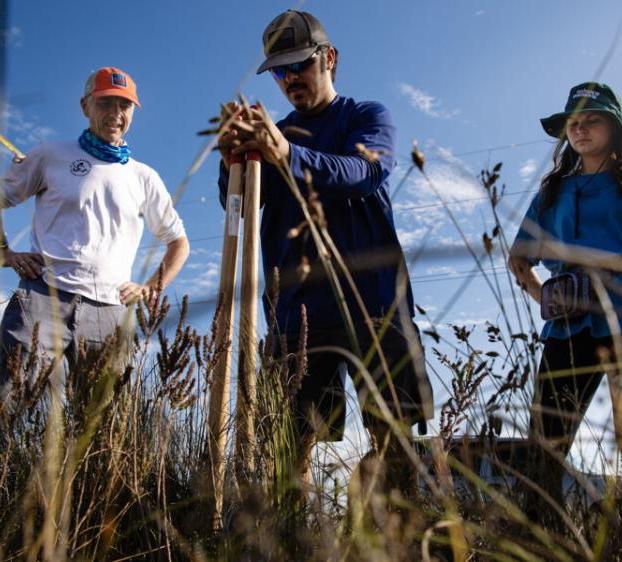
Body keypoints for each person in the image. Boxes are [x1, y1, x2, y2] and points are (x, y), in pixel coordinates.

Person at [218, 10, 433, 500]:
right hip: (297, 310)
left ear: (329, 58)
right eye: (280, 71)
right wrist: (232, 160)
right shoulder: (274, 133)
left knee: (394, 435)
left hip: (373, 304)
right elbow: (241, 209)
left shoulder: (366, 116)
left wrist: (286, 154)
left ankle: (391, 533)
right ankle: (295, 539)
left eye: (300, 65)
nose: (291, 78)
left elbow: (364, 173)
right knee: (290, 446)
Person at [0, 66, 189, 378]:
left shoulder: (144, 176)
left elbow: (178, 242)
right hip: (42, 298)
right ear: (85, 106)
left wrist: (150, 287)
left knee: (103, 420)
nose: (116, 113)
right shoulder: (50, 155)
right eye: (105, 103)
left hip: (110, 310)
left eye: (125, 105)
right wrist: (7, 255)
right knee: (11, 399)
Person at [509, 82, 622, 521]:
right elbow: (519, 260)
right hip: (566, 329)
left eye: (592, 120)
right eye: (572, 123)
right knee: (546, 443)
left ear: (613, 125)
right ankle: (543, 536)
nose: (580, 130)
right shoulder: (552, 191)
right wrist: (547, 298)